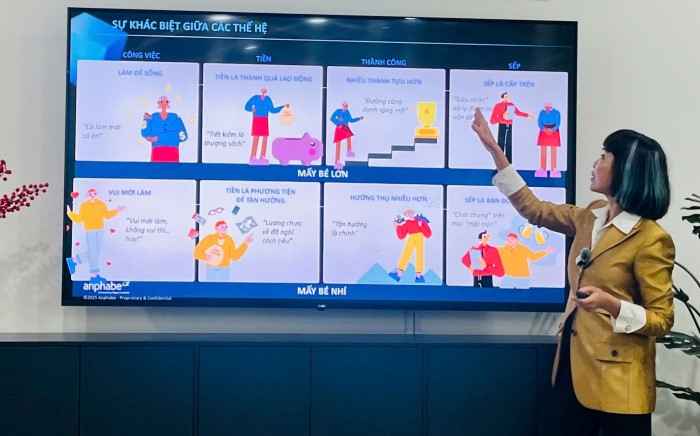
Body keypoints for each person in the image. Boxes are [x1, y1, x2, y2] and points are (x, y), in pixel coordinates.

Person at [472, 107, 674, 435]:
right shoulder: (592, 215)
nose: (595, 163)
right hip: (573, 368)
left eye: (603, 157)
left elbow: (662, 320)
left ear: (626, 170)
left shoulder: (651, 239)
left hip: (619, 386)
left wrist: (611, 304)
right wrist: (496, 151)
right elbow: (535, 209)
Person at [66, 188, 125, 282]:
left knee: (95, 252)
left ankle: (74, 261)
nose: (92, 196)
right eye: (90, 194)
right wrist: (70, 213)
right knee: (93, 252)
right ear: (87, 196)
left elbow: (107, 215)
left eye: (94, 194)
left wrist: (117, 210)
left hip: (100, 230)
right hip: (90, 231)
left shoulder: (101, 204)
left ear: (97, 194)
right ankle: (94, 276)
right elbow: (79, 219)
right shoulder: (84, 206)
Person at [244, 88, 288, 165]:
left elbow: (272, 110)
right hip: (257, 118)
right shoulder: (255, 97)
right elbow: (246, 106)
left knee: (265, 138)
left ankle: (263, 156)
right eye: (262, 90)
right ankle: (253, 156)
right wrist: (252, 109)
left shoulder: (268, 99)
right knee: (256, 137)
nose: (263, 91)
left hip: (265, 119)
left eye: (265, 90)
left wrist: (283, 106)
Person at [489, 92, 535, 163]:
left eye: (508, 96)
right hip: (502, 125)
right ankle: (500, 163)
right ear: (502, 97)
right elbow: (492, 120)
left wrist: (528, 115)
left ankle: (509, 163)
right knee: (501, 144)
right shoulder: (498, 106)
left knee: (509, 144)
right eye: (505, 96)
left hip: (509, 125)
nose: (507, 98)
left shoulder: (511, 105)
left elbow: (518, 113)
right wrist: (502, 118)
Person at [389, 209, 432, 283]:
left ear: (413, 213)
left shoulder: (421, 220)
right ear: (406, 215)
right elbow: (401, 236)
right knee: (406, 253)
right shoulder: (407, 223)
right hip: (411, 237)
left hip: (419, 237)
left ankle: (418, 276)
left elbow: (428, 234)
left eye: (410, 212)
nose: (410, 214)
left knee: (419, 254)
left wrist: (421, 226)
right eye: (408, 213)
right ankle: (399, 274)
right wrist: (397, 226)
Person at [141, 95, 188, 162]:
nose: (164, 103)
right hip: (157, 151)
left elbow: (183, 136)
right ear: (158, 103)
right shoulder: (153, 116)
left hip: (173, 151)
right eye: (161, 101)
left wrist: (158, 138)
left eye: (166, 101)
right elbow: (145, 134)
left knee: (172, 168)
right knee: (156, 168)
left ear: (168, 103)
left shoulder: (175, 117)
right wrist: (146, 119)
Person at [329, 101, 364, 169]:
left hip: (345, 127)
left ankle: (349, 151)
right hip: (339, 128)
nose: (346, 107)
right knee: (338, 143)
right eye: (345, 105)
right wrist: (337, 122)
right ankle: (337, 161)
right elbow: (332, 118)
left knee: (349, 137)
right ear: (342, 105)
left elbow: (351, 120)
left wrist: (359, 118)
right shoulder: (338, 111)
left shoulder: (347, 112)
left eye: (347, 106)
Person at [536, 102, 562, 178]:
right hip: (543, 131)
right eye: (546, 107)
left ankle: (553, 168)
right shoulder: (542, 112)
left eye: (548, 107)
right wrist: (544, 129)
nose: (547, 108)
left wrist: (552, 130)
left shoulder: (556, 113)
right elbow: (539, 122)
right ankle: (542, 168)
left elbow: (558, 123)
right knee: (543, 149)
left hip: (554, 131)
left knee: (553, 149)